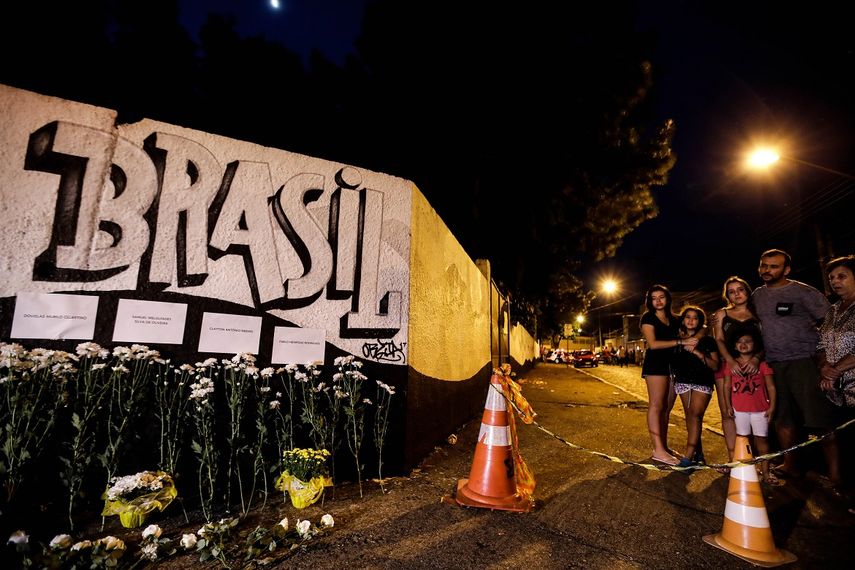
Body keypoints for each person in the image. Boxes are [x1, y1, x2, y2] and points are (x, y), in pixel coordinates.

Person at [752, 249, 841, 485]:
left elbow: (830, 323)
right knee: (782, 418)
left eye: (773, 266)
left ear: (786, 269)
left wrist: (825, 358)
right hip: (774, 364)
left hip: (804, 361)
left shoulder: (803, 292)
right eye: (763, 266)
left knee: (819, 418)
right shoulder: (757, 295)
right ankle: (790, 465)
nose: (766, 270)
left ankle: (835, 474)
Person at [640, 284, 698, 465]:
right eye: (654, 298)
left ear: (667, 299)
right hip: (655, 365)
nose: (658, 301)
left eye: (661, 297)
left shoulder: (674, 320)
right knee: (656, 406)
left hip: (672, 365)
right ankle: (657, 449)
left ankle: (663, 446)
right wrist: (681, 341)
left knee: (666, 407)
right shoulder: (648, 318)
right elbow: (653, 344)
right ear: (650, 301)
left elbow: (695, 327)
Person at [712, 276, 763, 460]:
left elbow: (765, 340)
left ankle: (756, 458)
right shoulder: (722, 314)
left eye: (740, 289)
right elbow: (718, 339)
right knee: (728, 412)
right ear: (728, 296)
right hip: (727, 367)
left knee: (757, 412)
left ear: (747, 291)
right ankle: (733, 458)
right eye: (732, 292)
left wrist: (757, 359)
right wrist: (730, 361)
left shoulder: (758, 314)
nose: (737, 294)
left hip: (753, 368)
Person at [723, 330, 779, 484]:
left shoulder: (762, 364)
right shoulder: (731, 364)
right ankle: (748, 470)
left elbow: (771, 387)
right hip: (739, 410)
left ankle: (766, 472)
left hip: (760, 410)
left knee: (762, 441)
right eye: (739, 342)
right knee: (743, 441)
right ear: (734, 346)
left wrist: (772, 406)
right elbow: (727, 386)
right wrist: (728, 405)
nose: (743, 344)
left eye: (748, 341)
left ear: (755, 345)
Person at [670, 306, 719, 467]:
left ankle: (688, 456)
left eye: (695, 318)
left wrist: (697, 352)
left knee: (695, 415)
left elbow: (715, 365)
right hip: (683, 382)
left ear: (700, 321)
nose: (691, 320)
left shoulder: (707, 341)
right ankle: (699, 454)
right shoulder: (678, 340)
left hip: (702, 382)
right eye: (687, 317)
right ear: (683, 320)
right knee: (690, 418)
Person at [818, 255, 855, 407]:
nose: (834, 281)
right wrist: (824, 367)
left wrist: (836, 371)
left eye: (841, 276)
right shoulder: (832, 311)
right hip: (836, 393)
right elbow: (820, 345)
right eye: (831, 278)